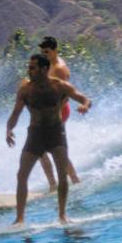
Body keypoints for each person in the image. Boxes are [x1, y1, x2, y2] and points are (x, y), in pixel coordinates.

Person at [6, 54, 91, 224]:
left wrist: (84, 106)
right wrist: (9, 129)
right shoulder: (26, 90)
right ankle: (19, 218)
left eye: (32, 67)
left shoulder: (58, 86)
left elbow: (84, 98)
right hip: (35, 134)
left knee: (62, 174)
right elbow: (16, 113)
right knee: (22, 175)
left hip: (55, 133)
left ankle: (62, 215)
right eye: (29, 67)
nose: (28, 71)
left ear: (44, 69)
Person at [36, 36, 84, 186]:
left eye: (47, 51)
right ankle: (62, 182)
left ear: (55, 50)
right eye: (42, 52)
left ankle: (68, 181)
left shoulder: (60, 69)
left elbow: (67, 94)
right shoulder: (48, 64)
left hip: (59, 111)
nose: (44, 54)